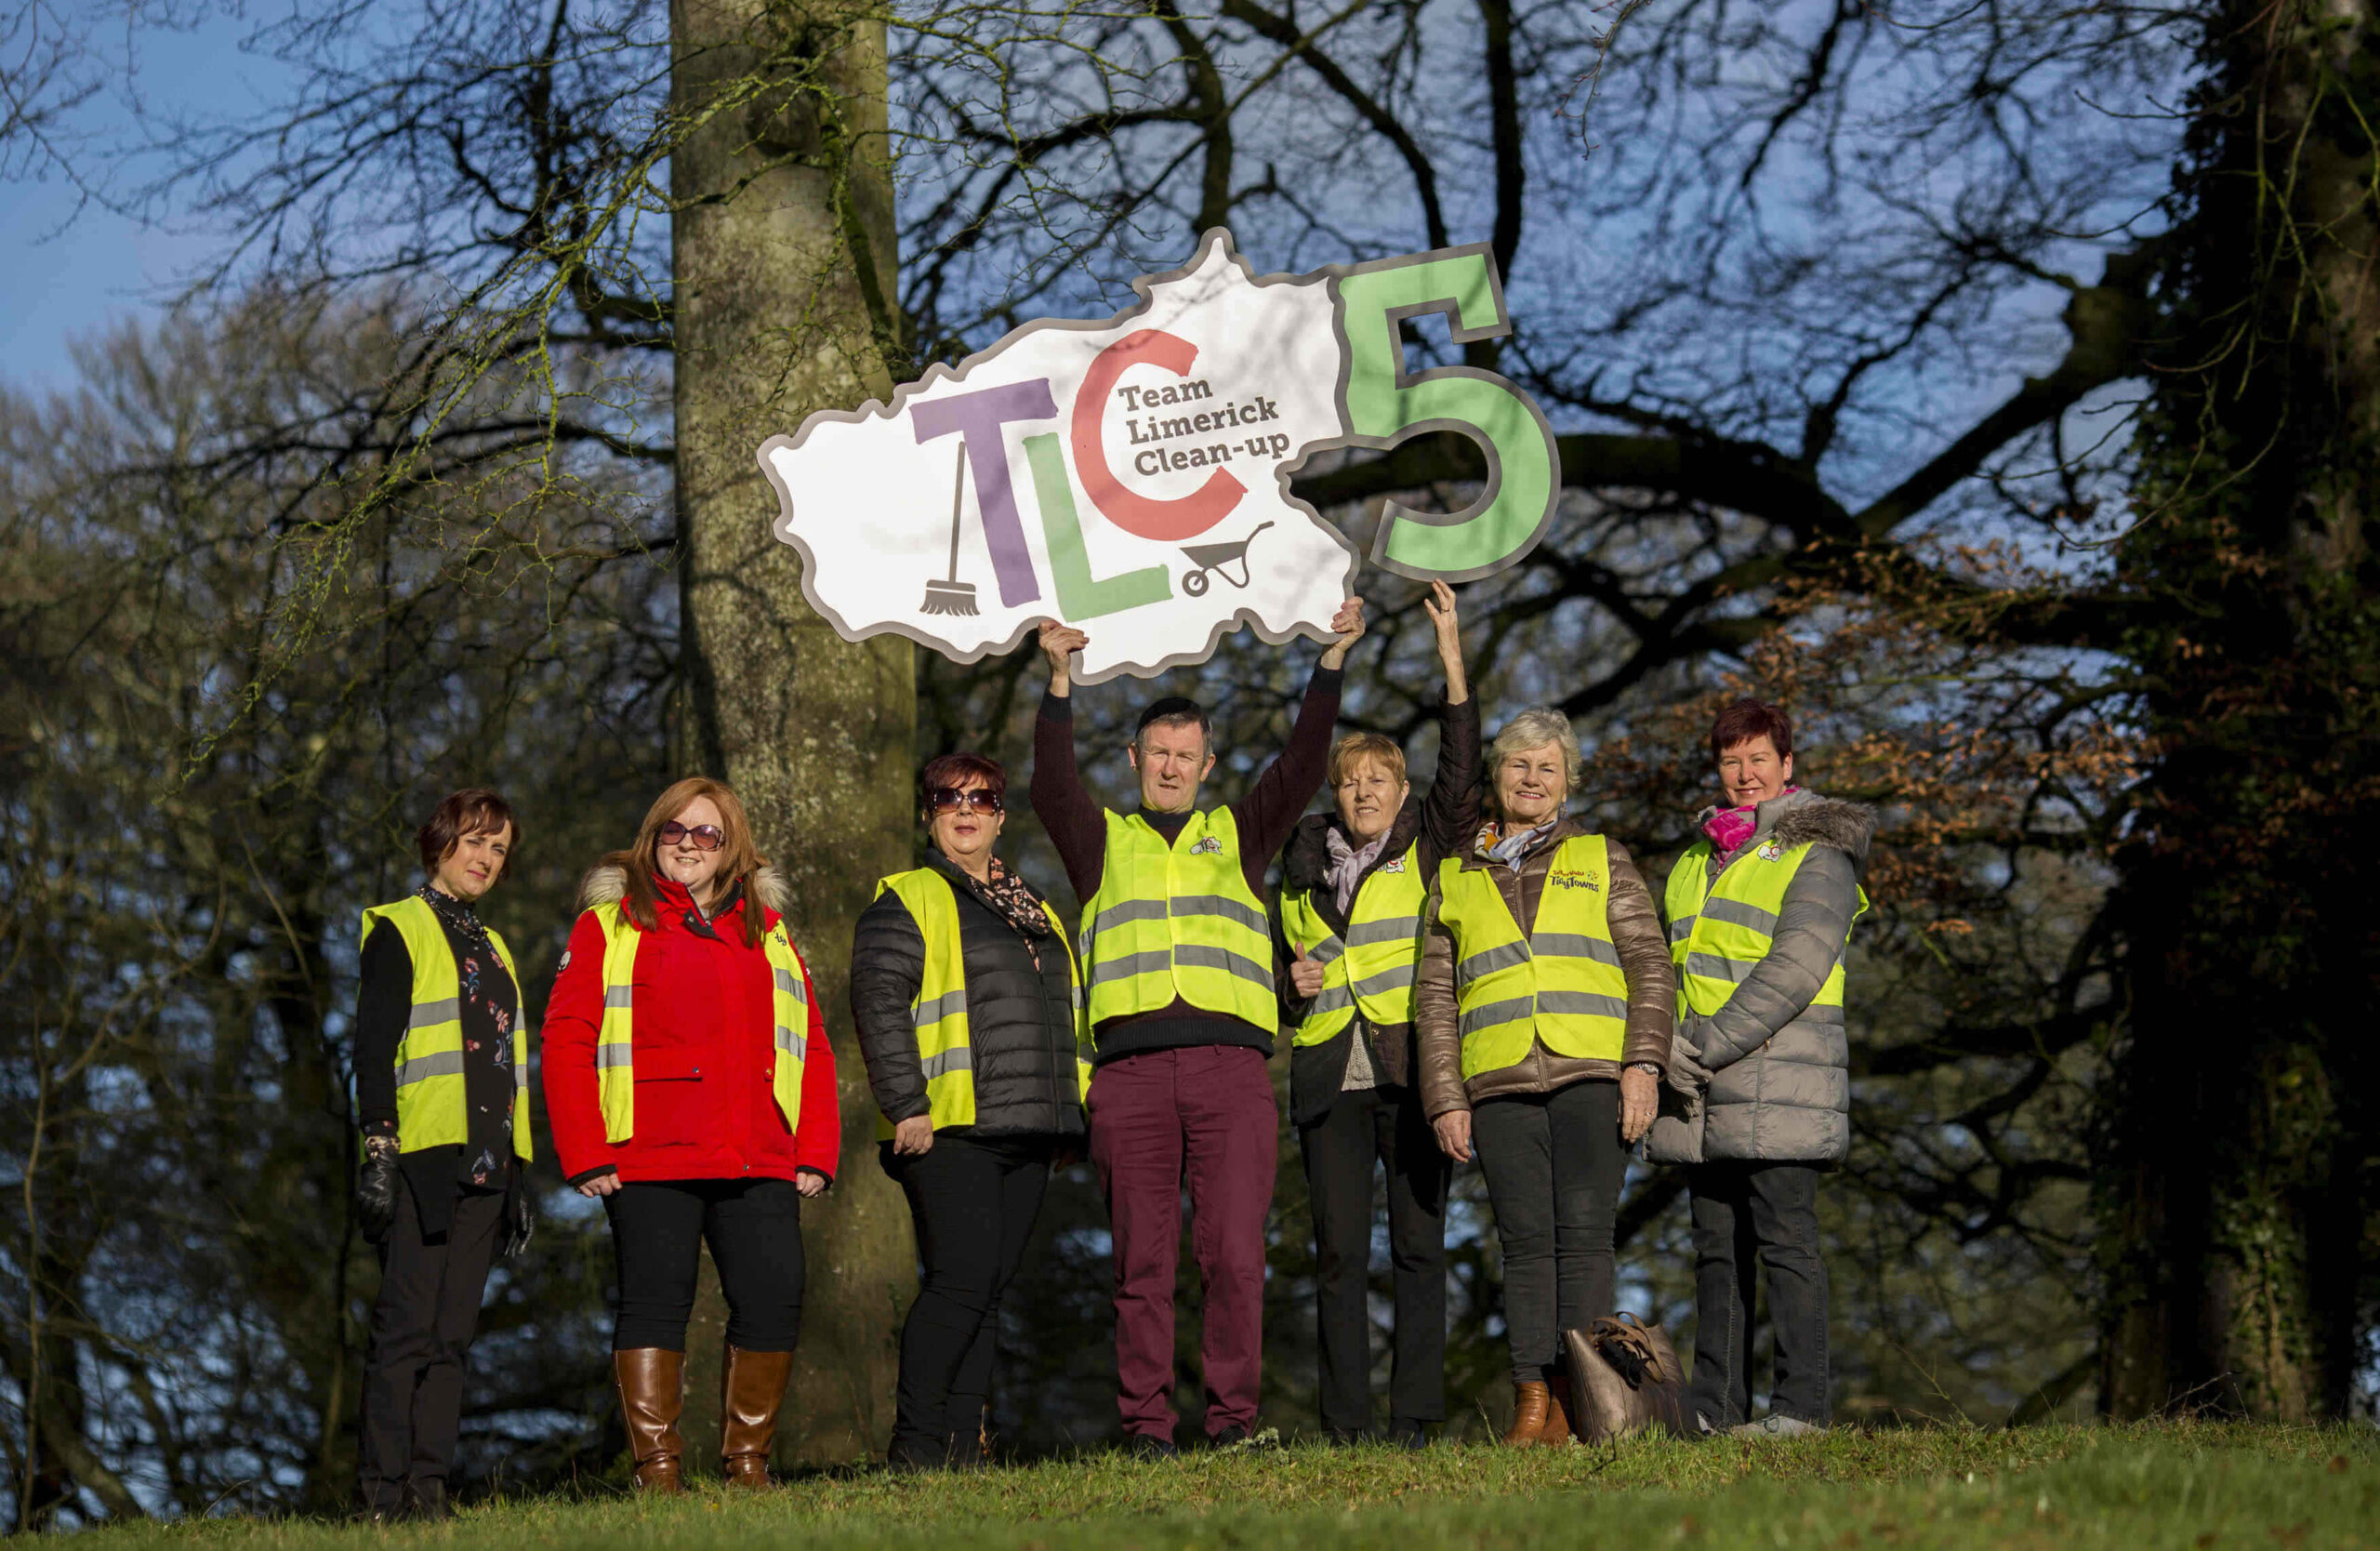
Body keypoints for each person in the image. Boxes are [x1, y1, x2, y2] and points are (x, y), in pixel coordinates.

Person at [1032, 595, 1366, 1455]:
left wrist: (1328, 664)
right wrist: (1060, 686)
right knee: (1141, 1266)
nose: (1172, 767)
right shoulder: (1100, 841)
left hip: (1230, 1072)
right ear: (1134, 756)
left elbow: (1299, 765)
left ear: (1208, 764)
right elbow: (1049, 784)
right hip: (1131, 1080)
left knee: (1232, 1260)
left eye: (1187, 755)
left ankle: (1232, 1424)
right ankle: (1146, 1429)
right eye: (1158, 754)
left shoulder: (1240, 834)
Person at [541, 777, 840, 1493]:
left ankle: (747, 1466)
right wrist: (584, 1150)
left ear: (731, 846)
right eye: (673, 831)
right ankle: (659, 1469)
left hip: (758, 1150)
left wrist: (816, 1151)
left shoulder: (768, 931)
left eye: (705, 834)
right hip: (649, 1152)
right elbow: (565, 1038)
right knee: (655, 1299)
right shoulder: (610, 923)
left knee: (774, 1295)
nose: (688, 845)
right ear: (653, 839)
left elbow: (813, 1041)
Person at [1415, 707, 1673, 1447]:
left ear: (1568, 781)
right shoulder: (1456, 875)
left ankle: (1589, 1399)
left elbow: (1650, 966)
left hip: (1593, 1070)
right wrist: (1444, 1097)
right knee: (1523, 1244)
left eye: (1547, 767)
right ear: (1497, 777)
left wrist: (1643, 1065)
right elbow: (1433, 997)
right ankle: (1536, 1401)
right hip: (1495, 1080)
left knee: (1586, 1239)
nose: (1532, 778)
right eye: (1519, 765)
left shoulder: (1602, 856)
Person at [1272, 581, 1478, 1448]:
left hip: (1411, 1069)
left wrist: (1450, 656)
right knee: (1338, 1259)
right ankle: (1346, 1424)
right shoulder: (1298, 865)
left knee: (1422, 1251)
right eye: (1352, 781)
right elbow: (1270, 973)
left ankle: (1417, 1420)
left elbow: (1462, 770)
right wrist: (1291, 988)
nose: (1364, 792)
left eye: (1380, 780)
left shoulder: (1427, 845)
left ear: (1402, 794)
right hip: (1329, 1077)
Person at [851, 751, 1093, 1470]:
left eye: (981, 798)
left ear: (1000, 816)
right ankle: (915, 1446)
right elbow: (879, 1005)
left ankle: (963, 1451)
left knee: (986, 1291)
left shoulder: (1037, 908)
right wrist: (905, 1105)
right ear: (929, 814)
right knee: (959, 1283)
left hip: (1031, 1128)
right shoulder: (908, 896)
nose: (966, 809)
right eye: (949, 798)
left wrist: (1070, 1117)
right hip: (947, 1125)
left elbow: (1067, 1018)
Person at [1645, 698, 1871, 1438]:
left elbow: (1796, 969)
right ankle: (1715, 1409)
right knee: (1716, 1250)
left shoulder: (1820, 852)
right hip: (1698, 1089)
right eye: (1730, 761)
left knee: (1785, 1243)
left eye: (1757, 760)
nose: (1743, 775)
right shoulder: (1691, 861)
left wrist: (1697, 1047)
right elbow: (1662, 967)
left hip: (1777, 1077)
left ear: (1787, 766)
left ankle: (1801, 1410)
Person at [352, 788, 536, 1522]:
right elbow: (373, 1047)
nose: (487, 858)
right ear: (441, 843)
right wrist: (377, 1150)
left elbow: (507, 1062)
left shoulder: (495, 947)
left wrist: (519, 1175)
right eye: (476, 841)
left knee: (453, 1339)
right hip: (421, 1156)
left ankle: (428, 1493)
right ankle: (379, 1497)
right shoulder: (399, 927)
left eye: (499, 848)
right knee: (404, 1332)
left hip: (490, 1165)